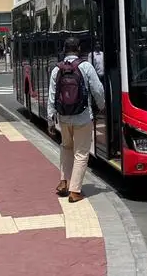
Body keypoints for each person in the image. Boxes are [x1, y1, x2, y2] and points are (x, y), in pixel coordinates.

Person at [47, 37, 105, 203]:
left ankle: (64, 182)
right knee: (81, 153)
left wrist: (51, 121)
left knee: (66, 147)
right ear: (78, 48)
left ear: (64, 49)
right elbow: (98, 90)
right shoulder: (85, 66)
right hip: (83, 117)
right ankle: (75, 191)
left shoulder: (56, 69)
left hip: (63, 117)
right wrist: (102, 106)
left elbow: (52, 97)